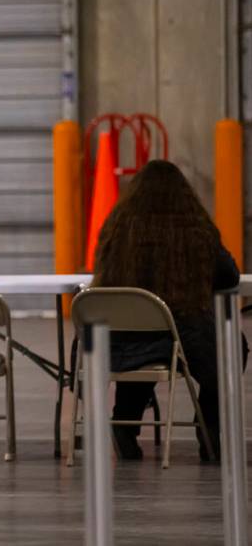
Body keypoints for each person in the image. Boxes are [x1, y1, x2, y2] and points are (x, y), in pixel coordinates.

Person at [91, 159, 245, 461]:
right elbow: (229, 275)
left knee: (144, 344)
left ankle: (125, 423)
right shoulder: (196, 231)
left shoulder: (116, 231)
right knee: (232, 346)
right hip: (182, 333)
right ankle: (209, 425)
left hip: (117, 341)